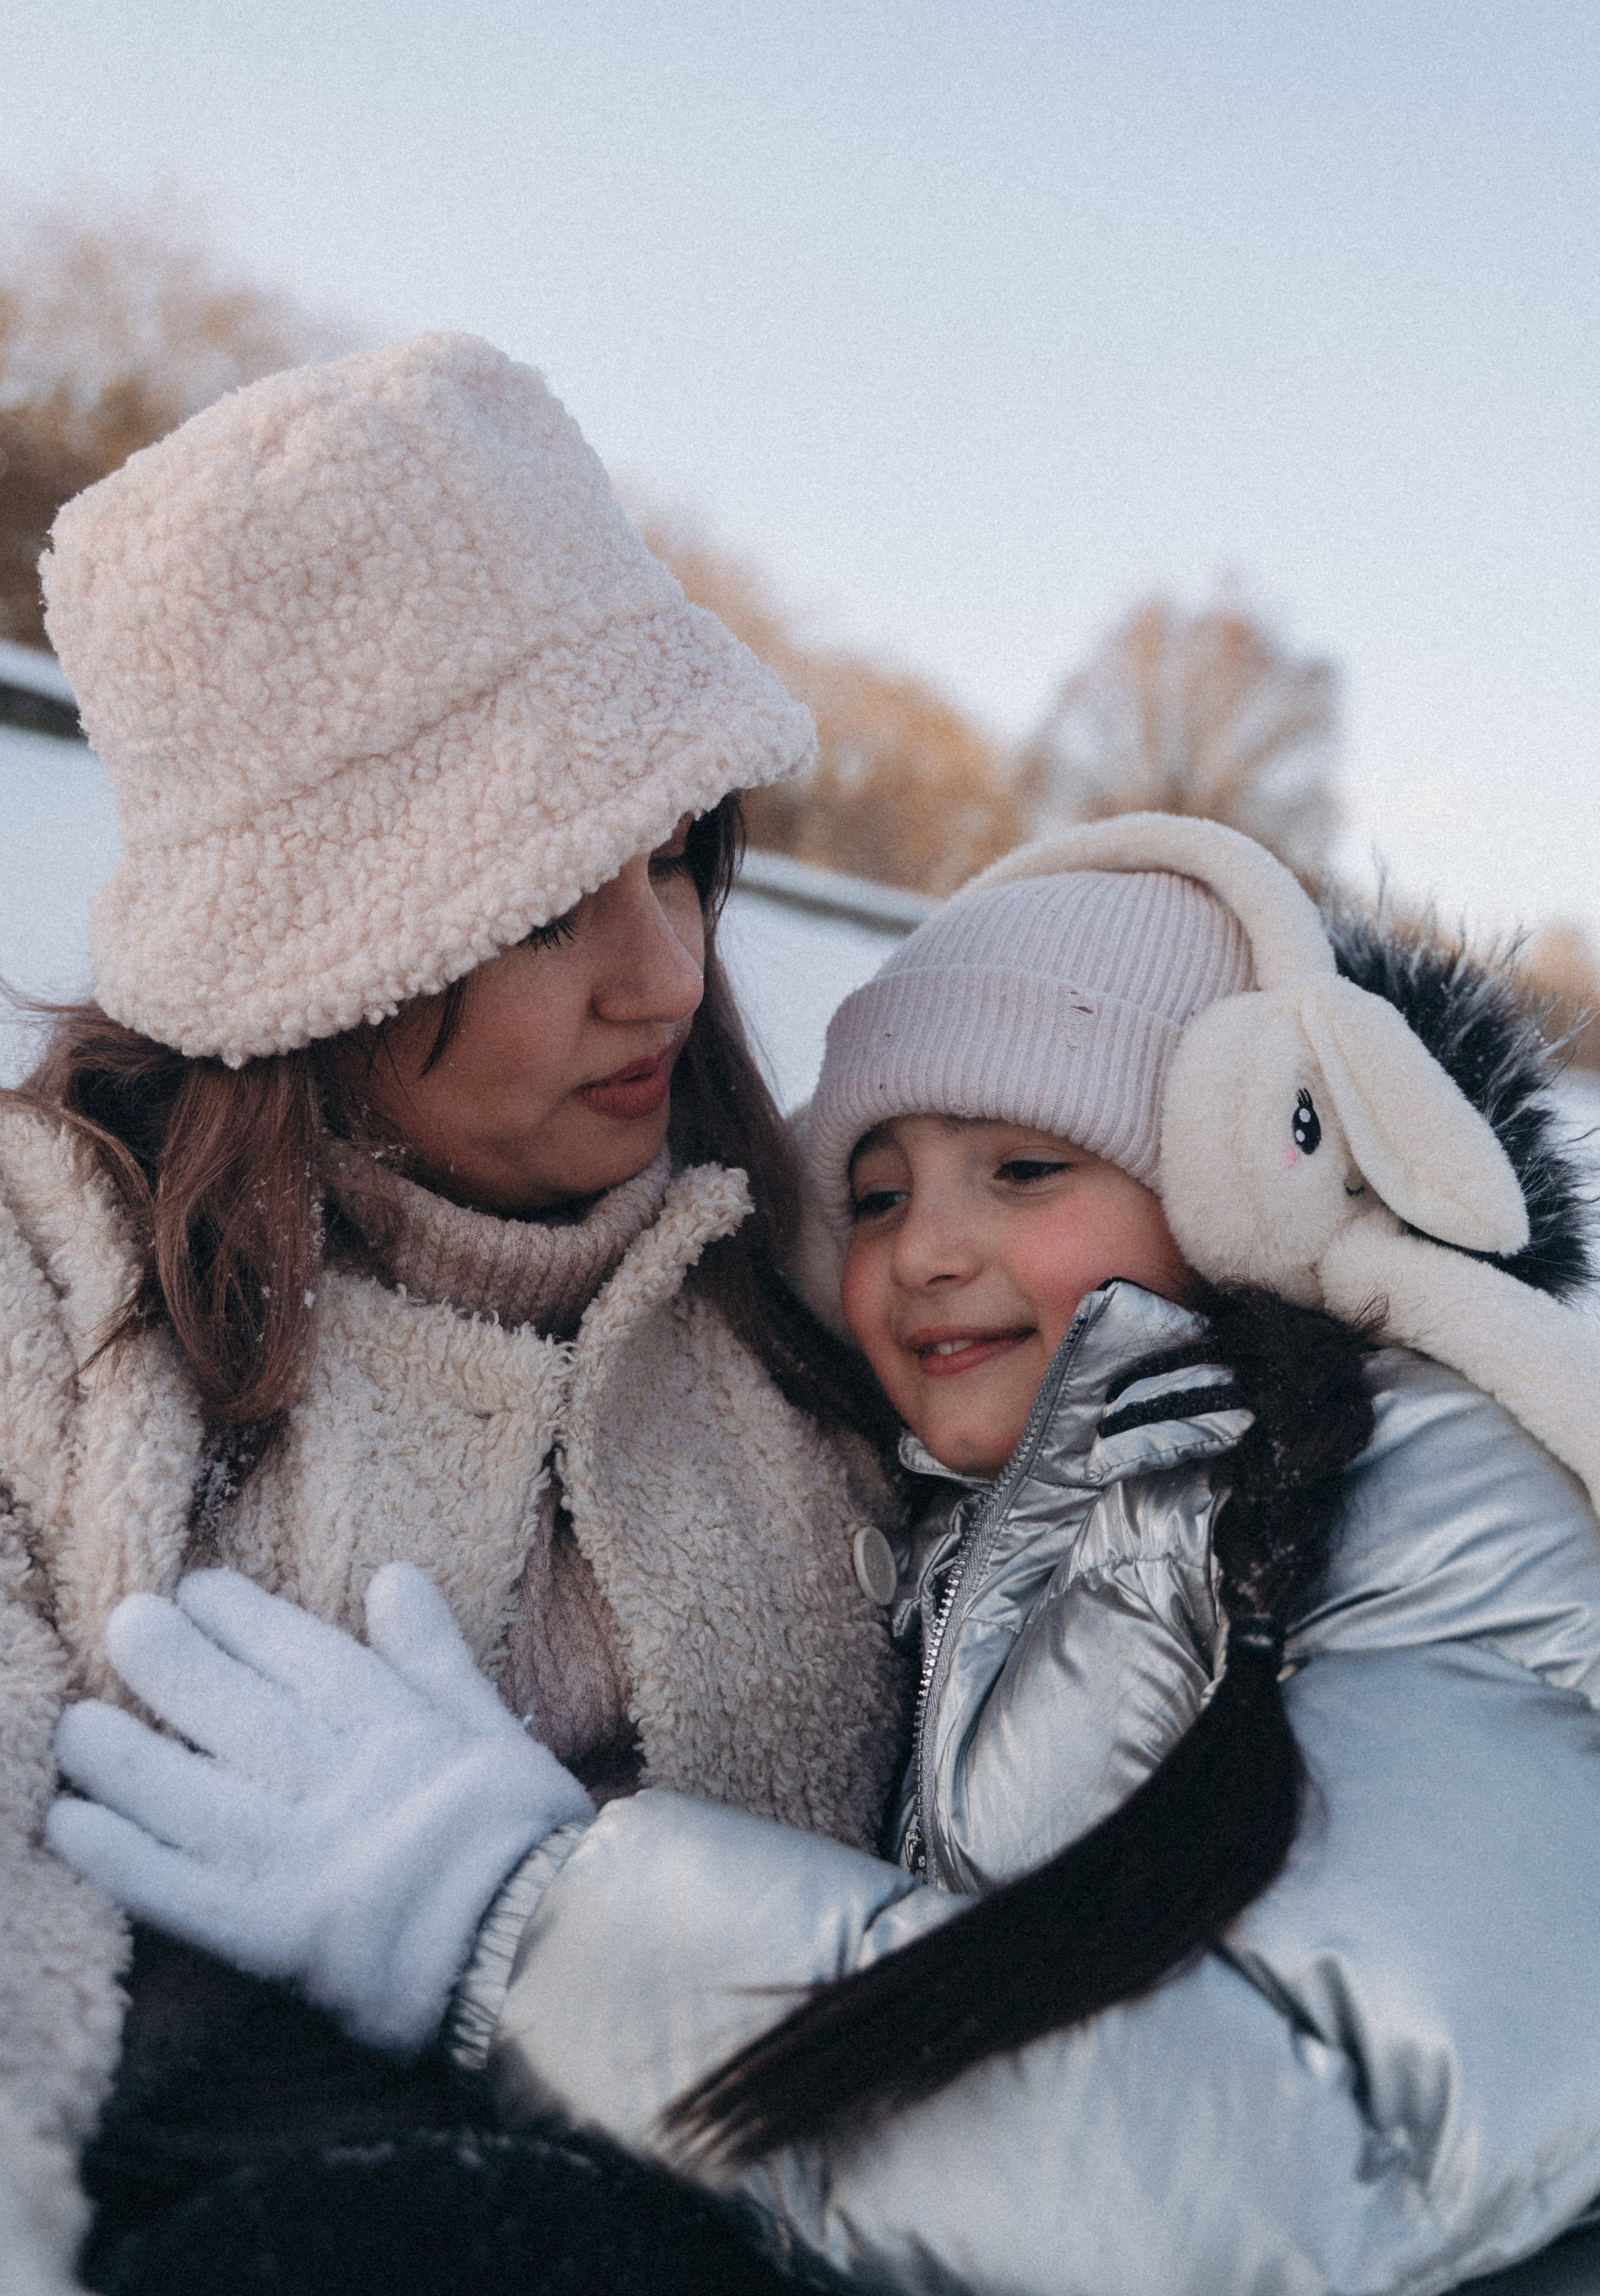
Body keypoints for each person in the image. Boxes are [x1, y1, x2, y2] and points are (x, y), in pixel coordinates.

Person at [52, 813, 1600, 2295]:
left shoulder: (1434, 1488)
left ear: (1243, 1169)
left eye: (1025, 1169)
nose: (922, 1249)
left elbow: (1316, 2156)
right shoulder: (961, 1527)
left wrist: (522, 1925)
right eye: (871, 1193)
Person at [0, 333, 911, 2296]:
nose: (665, 973)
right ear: (324, 939)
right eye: (540, 902)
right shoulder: (41, 1277)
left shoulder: (854, 1274)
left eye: (678, 854)